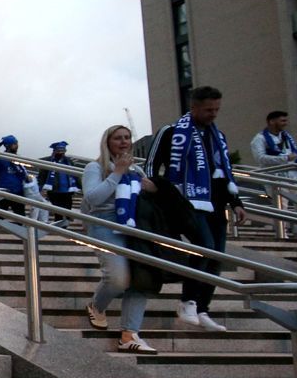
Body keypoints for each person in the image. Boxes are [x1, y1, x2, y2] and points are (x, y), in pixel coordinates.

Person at [146, 85, 244, 331]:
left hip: (217, 203)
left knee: (216, 257)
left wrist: (236, 202)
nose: (213, 114)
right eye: (208, 109)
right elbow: (151, 165)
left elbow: (224, 172)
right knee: (204, 247)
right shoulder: (171, 132)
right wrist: (158, 192)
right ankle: (188, 302)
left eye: (217, 109)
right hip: (186, 202)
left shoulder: (217, 136)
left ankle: (203, 308)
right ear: (194, 107)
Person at [81, 125, 157, 354]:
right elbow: (93, 199)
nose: (124, 142)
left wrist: (153, 189)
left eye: (127, 137)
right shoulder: (95, 167)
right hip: (105, 224)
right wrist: (117, 173)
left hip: (135, 226)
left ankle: (129, 334)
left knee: (140, 279)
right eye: (118, 138)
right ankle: (96, 305)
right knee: (118, 279)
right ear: (107, 142)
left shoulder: (137, 170)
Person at [0, 134, 29, 215]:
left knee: (20, 216)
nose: (17, 146)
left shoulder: (19, 158)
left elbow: (23, 173)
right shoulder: (0, 158)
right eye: (15, 144)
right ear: (8, 146)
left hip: (18, 190)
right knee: (0, 215)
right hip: (4, 190)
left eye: (17, 144)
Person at [40, 141, 78, 212]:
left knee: (68, 212)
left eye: (63, 151)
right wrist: (40, 189)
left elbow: (75, 175)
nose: (61, 153)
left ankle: (66, 221)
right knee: (58, 213)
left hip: (67, 192)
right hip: (54, 191)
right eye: (59, 151)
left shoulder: (69, 161)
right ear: (54, 151)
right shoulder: (48, 161)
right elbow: (42, 176)